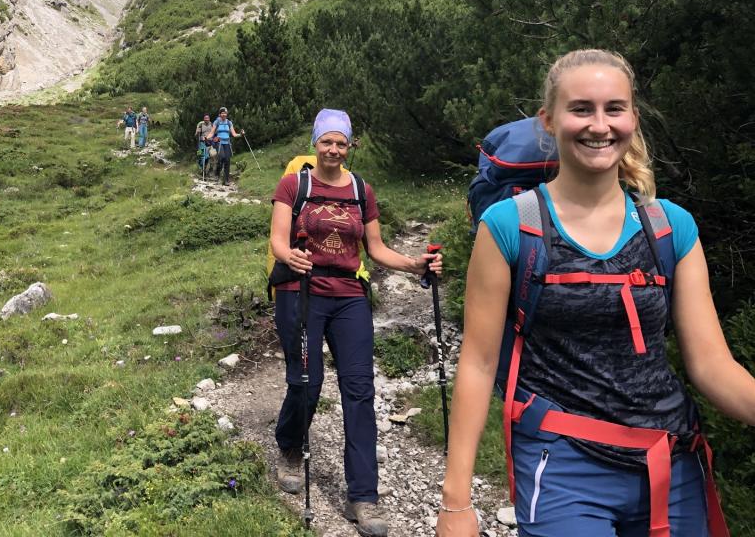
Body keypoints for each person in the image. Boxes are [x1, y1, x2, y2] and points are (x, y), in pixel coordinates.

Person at [437, 49, 755, 537]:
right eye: (581, 109)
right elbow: (478, 364)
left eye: (614, 109)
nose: (599, 125)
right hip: (563, 462)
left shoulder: (670, 227)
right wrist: (456, 503)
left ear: (633, 118)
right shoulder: (509, 227)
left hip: (671, 461)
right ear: (549, 120)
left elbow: (712, 365)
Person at [270, 108, 443, 537]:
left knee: (360, 390)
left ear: (349, 147)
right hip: (301, 290)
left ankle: (363, 496)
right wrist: (286, 255)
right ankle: (291, 447)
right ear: (315, 143)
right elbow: (276, 238)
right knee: (306, 383)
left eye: (340, 143)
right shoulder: (295, 184)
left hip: (348, 295)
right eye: (326, 141)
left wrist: (414, 264)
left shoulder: (362, 190)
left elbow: (377, 248)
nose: (333, 149)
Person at [207, 106, 243, 185]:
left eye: (225, 113)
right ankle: (217, 174)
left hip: (227, 143)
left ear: (226, 114)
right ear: (220, 114)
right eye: (222, 113)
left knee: (227, 160)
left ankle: (226, 180)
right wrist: (206, 137)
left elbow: (234, 134)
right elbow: (212, 133)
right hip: (219, 142)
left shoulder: (229, 122)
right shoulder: (217, 122)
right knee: (221, 157)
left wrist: (240, 134)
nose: (224, 114)